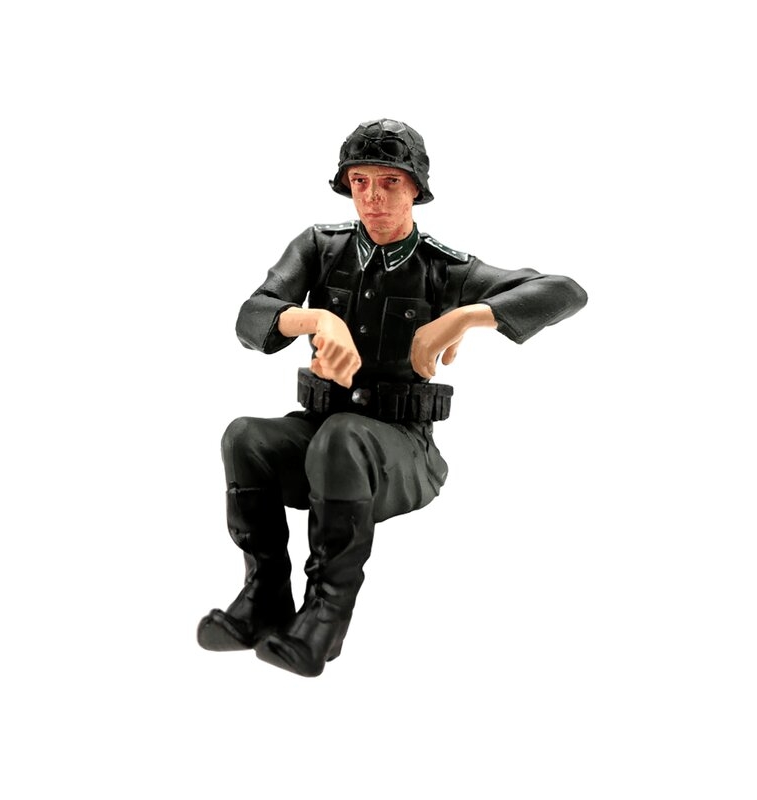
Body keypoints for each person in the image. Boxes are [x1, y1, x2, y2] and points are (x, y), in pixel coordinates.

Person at [197, 119, 587, 677]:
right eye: (360, 182)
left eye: (389, 182)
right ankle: (265, 594)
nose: (372, 197)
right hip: (322, 432)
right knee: (246, 437)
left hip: (401, 452)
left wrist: (467, 316)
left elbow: (566, 291)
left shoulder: (443, 268)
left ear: (415, 189)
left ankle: (325, 615)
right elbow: (250, 316)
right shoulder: (320, 247)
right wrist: (316, 319)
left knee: (342, 439)